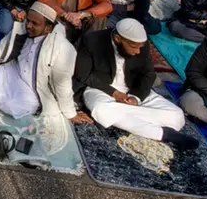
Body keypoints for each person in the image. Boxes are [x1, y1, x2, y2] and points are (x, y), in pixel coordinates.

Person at [74, 18, 197, 149]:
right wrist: (114, 94)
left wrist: (135, 98)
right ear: (117, 38)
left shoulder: (140, 44)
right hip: (101, 89)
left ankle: (122, 121)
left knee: (177, 116)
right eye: (133, 47)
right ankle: (161, 133)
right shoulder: (92, 40)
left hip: (132, 89)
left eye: (140, 47)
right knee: (100, 109)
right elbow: (83, 74)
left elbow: (149, 73)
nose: (138, 51)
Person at [0, 2, 85, 122]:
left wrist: (70, 113)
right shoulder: (23, 28)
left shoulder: (63, 48)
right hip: (14, 71)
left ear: (48, 28)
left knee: (13, 107)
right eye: (28, 20)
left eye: (34, 23)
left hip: (34, 89)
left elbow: (62, 84)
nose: (28, 25)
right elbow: (2, 48)